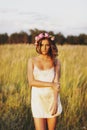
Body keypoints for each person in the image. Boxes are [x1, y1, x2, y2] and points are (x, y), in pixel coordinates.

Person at [27, 32, 62, 130]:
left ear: (51, 46)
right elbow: (31, 82)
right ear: (38, 45)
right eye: (42, 45)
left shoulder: (56, 62)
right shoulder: (32, 61)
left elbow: (57, 83)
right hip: (37, 100)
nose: (44, 48)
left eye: (47, 45)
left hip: (52, 100)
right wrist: (51, 84)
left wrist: (55, 102)